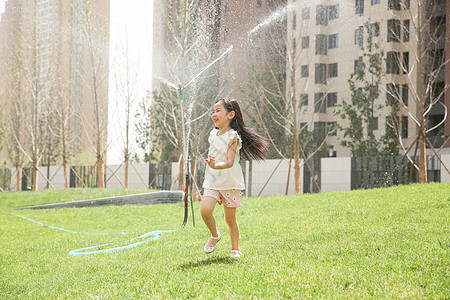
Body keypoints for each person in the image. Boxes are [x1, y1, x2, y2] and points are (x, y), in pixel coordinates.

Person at [201, 98, 269, 258]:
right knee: (205, 211)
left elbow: (230, 162)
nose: (214, 114)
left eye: (218, 111)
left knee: (230, 219)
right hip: (212, 181)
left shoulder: (233, 137)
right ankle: (215, 235)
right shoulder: (212, 134)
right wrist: (212, 166)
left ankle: (235, 249)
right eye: (213, 111)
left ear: (231, 114)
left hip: (230, 183)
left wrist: (215, 165)